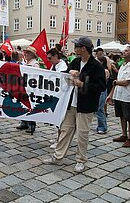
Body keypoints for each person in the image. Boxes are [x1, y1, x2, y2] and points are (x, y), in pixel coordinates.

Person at [43, 36, 106, 173]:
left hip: (86, 105)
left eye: (77, 46)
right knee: (65, 130)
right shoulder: (76, 62)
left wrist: (83, 83)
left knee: (82, 134)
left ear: (83, 48)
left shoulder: (96, 66)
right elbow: (65, 77)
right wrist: (69, 74)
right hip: (71, 103)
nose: (75, 49)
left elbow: (101, 86)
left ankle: (81, 160)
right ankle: (58, 157)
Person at [107, 46, 130, 148]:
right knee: (121, 116)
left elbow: (127, 82)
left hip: (128, 95)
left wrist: (116, 82)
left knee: (129, 117)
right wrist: (111, 95)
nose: (124, 52)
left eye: (126, 51)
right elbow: (116, 82)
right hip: (119, 95)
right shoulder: (123, 65)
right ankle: (124, 135)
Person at [16, 46, 40, 134]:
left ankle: (31, 124)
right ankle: (24, 122)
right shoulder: (25, 63)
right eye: (25, 53)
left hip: (31, 88)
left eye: (27, 53)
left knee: (30, 106)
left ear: (32, 55)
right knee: (23, 105)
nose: (25, 54)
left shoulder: (35, 64)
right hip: (24, 87)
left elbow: (35, 76)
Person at [47, 48, 68, 148]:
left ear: (56, 56)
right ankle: (58, 137)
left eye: (50, 58)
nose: (49, 60)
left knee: (61, 120)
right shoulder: (54, 65)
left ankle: (60, 140)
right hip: (55, 95)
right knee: (57, 119)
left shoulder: (62, 66)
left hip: (61, 96)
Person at [95, 56, 110, 134]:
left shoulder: (105, 71)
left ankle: (102, 127)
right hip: (98, 91)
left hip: (102, 91)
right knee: (98, 109)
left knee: (100, 109)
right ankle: (100, 125)